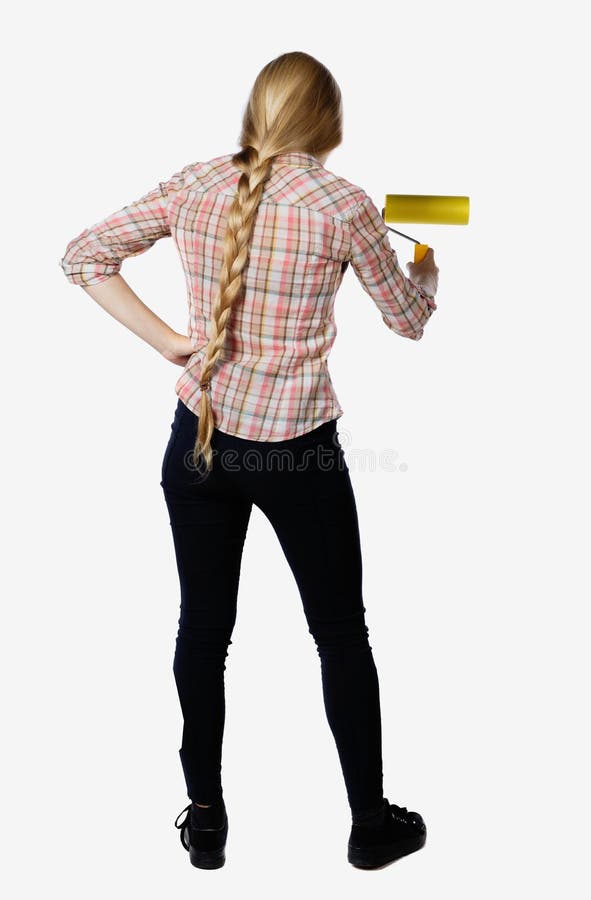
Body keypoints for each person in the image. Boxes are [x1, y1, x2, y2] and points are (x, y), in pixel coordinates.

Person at [59, 50, 439, 871]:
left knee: (203, 631)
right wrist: (426, 268)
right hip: (297, 448)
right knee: (340, 634)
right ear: (326, 122)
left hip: (195, 441)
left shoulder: (196, 182)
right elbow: (407, 322)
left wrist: (171, 345)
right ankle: (370, 826)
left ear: (258, 112)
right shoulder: (346, 206)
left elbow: (82, 255)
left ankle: (205, 821)